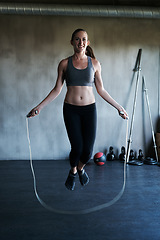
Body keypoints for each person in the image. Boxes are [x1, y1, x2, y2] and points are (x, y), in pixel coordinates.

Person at [27, 28, 128, 191]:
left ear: (87, 43)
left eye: (83, 39)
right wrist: (39, 107)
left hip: (89, 110)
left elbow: (101, 90)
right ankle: (73, 171)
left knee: (88, 151)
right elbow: (57, 89)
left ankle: (79, 168)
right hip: (71, 110)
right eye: (77, 39)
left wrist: (119, 107)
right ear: (72, 42)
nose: (80, 42)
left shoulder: (94, 63)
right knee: (77, 147)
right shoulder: (64, 64)